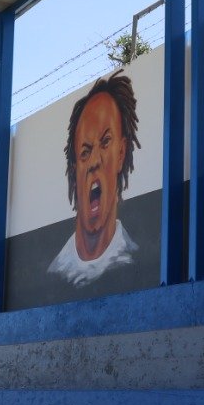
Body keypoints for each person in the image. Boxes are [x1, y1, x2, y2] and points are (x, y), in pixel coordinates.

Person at [48, 70, 141, 286]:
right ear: (74, 169)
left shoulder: (134, 260)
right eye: (85, 151)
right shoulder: (54, 273)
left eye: (106, 142)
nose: (94, 162)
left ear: (121, 152)